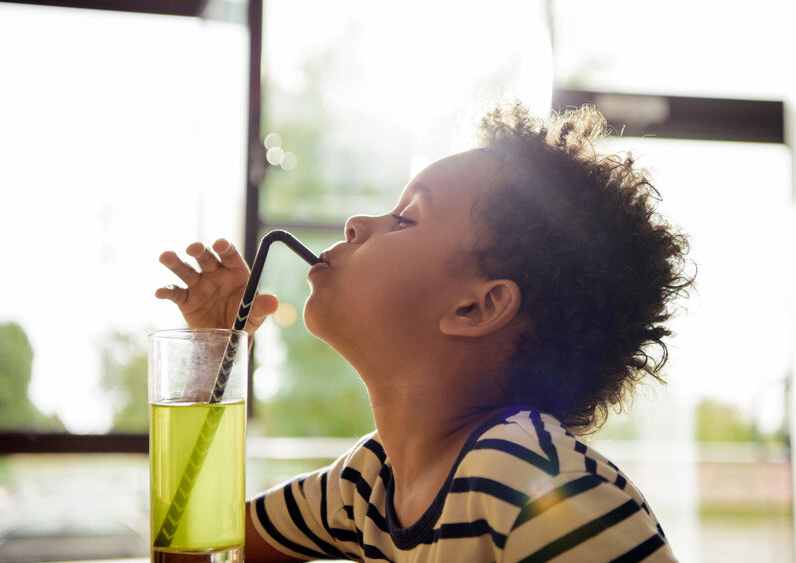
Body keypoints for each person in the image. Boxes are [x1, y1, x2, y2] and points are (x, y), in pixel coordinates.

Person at [156, 101, 691, 562]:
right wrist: (213, 354)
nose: (357, 224)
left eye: (406, 218)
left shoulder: (538, 484)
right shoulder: (366, 485)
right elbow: (196, 549)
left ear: (476, 308)